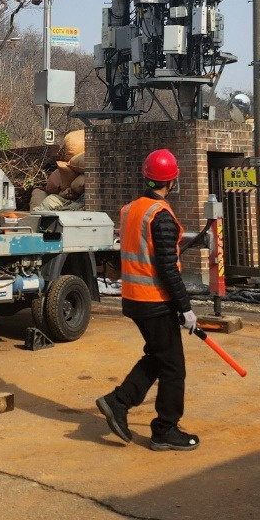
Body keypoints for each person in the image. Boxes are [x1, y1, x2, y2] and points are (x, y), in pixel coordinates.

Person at [96, 149, 200, 451]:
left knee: (158, 357)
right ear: (173, 180)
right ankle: (164, 430)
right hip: (154, 301)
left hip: (134, 298)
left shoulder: (131, 210)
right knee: (173, 368)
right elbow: (167, 268)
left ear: (146, 176)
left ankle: (118, 401)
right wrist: (185, 308)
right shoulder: (160, 216)